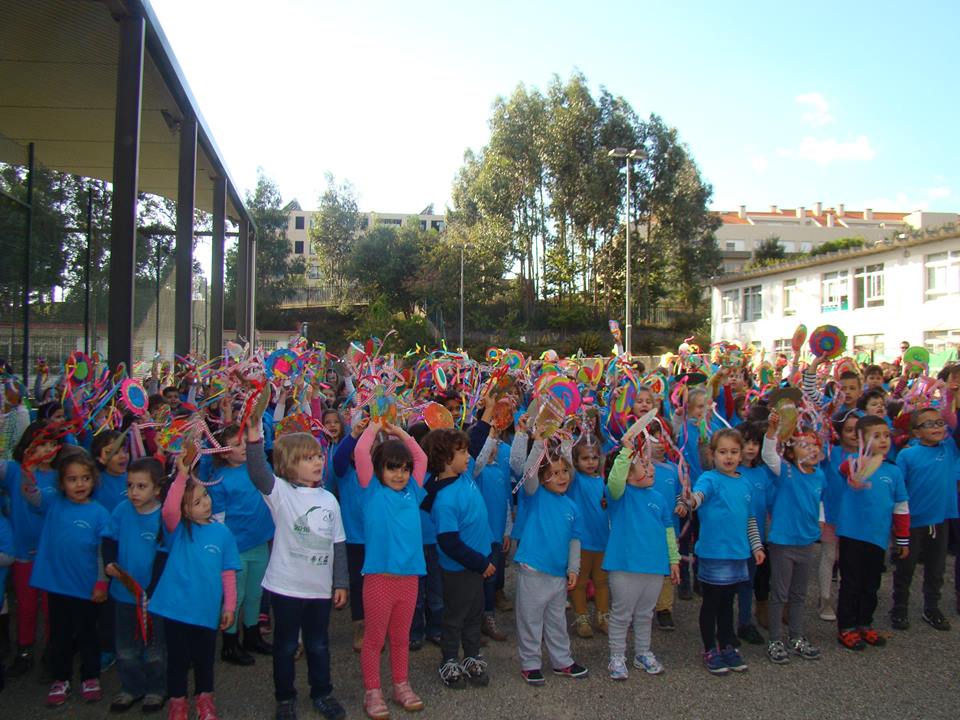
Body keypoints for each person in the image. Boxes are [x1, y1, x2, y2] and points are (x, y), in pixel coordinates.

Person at [245, 402, 349, 720]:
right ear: (290, 465)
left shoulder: (329, 499)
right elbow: (258, 473)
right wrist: (253, 439)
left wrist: (341, 582)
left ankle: (322, 692)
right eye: (308, 458)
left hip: (318, 591)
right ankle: (285, 697)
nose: (317, 461)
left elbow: (338, 544)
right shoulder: (281, 494)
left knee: (318, 645)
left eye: (318, 455)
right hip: (286, 587)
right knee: (286, 646)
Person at [148, 451, 240, 720]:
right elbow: (168, 508)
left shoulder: (221, 532)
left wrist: (230, 606)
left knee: (204, 660)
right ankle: (177, 703)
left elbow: (228, 572)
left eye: (206, 497)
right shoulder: (177, 530)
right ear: (185, 509)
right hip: (175, 609)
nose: (205, 504)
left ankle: (205, 701)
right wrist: (182, 476)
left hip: (205, 610)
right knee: (177, 660)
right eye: (197, 502)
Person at [354, 420, 428, 718]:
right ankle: (372, 691)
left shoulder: (413, 489)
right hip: (378, 580)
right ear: (379, 469)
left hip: (409, 579)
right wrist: (374, 427)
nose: (400, 474)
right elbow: (361, 451)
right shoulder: (371, 490)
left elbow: (421, 457)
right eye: (392, 468)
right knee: (374, 640)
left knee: (401, 637)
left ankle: (401, 685)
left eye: (404, 468)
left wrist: (400, 433)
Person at [24, 449, 110, 706]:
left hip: (86, 588)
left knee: (87, 635)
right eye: (72, 479)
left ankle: (90, 676)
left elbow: (100, 554)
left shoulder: (99, 513)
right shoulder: (53, 503)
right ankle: (60, 678)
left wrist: (100, 583)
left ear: (93, 480)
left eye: (85, 478)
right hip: (57, 586)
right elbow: (30, 495)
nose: (79, 484)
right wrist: (26, 468)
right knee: (59, 636)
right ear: (62, 483)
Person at [677, 429, 765, 675]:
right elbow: (699, 497)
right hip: (714, 553)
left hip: (738, 555)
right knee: (712, 603)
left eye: (734, 452)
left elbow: (750, 520)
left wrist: (756, 546)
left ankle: (727, 645)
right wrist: (689, 501)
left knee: (728, 603)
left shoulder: (745, 483)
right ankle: (709, 648)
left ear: (740, 456)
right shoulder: (710, 479)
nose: (729, 457)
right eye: (723, 452)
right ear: (712, 455)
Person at [421, 428, 494, 690]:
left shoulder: (462, 477)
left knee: (475, 614)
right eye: (461, 452)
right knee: (455, 617)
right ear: (444, 460)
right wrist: (481, 563)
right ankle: (449, 659)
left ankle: (472, 656)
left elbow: (476, 439)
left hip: (476, 564)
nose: (467, 456)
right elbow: (449, 543)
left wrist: (487, 410)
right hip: (461, 569)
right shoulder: (444, 499)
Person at [603, 440, 679, 680]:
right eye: (643, 465)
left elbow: (668, 529)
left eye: (651, 464)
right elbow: (614, 481)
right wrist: (626, 452)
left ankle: (642, 652)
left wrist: (674, 559)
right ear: (628, 473)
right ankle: (617, 656)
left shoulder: (659, 498)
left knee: (645, 613)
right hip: (624, 565)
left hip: (654, 566)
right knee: (621, 614)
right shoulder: (620, 495)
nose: (651, 468)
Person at [835, 415, 910, 650]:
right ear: (861, 440)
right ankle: (846, 627)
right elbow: (843, 468)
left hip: (878, 538)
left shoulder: (893, 471)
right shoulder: (855, 464)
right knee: (851, 583)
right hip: (853, 535)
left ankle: (864, 623)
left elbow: (901, 506)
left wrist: (902, 539)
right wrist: (860, 463)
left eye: (886, 435)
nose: (883, 440)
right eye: (876, 436)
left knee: (872, 584)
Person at [513, 451, 587, 685]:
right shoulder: (535, 495)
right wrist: (539, 442)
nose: (561, 477)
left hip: (558, 573)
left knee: (556, 620)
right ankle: (530, 664)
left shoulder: (572, 507)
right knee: (530, 619)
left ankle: (562, 660)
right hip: (534, 569)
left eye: (565, 471)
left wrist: (573, 569)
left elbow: (575, 540)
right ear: (543, 477)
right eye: (554, 473)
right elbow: (529, 473)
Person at [101, 457, 167, 713]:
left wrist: (151, 589)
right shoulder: (121, 510)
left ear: (157, 489)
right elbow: (109, 538)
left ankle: (156, 689)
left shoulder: (163, 517)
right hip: (123, 594)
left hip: (153, 598)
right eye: (130, 485)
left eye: (141, 486)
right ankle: (131, 687)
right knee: (126, 647)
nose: (134, 492)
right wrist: (109, 563)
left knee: (155, 648)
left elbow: (164, 554)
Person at [208, 423, 275, 666]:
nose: (245, 447)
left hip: (260, 541)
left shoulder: (258, 468)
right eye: (237, 444)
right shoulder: (219, 480)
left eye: (246, 441)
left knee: (256, 592)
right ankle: (230, 642)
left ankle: (252, 634)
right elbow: (218, 517)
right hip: (235, 547)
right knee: (235, 596)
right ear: (224, 452)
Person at [761, 413, 826, 663]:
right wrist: (772, 429)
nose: (811, 449)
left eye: (814, 445)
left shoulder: (819, 475)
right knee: (780, 593)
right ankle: (775, 639)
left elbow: (819, 501)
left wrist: (818, 523)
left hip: (806, 542)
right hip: (783, 542)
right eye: (804, 445)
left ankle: (797, 636)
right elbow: (768, 455)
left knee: (799, 594)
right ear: (790, 452)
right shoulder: (785, 471)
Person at [890, 407, 959, 631]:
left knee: (936, 568)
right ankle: (899, 608)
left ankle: (932, 607)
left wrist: (948, 392)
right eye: (929, 424)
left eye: (939, 423)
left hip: (941, 520)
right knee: (905, 567)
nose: (937, 427)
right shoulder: (908, 455)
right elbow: (898, 487)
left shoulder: (949, 448)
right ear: (917, 432)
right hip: (912, 522)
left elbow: (952, 418)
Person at [0, 422, 58, 677]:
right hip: (22, 551)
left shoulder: (59, 476)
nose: (47, 449)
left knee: (49, 606)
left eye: (51, 444)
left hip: (50, 554)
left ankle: (50, 652)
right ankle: (24, 650)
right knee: (25, 605)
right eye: (40, 444)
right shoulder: (12, 471)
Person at [566, 438, 610, 639]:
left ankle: (603, 616)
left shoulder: (603, 481)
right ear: (576, 461)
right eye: (584, 458)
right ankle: (581, 617)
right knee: (580, 582)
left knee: (602, 581)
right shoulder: (575, 481)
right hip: (582, 541)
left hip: (602, 540)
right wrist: (567, 441)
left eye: (594, 457)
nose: (590, 462)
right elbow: (567, 462)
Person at [733, 421, 772, 645]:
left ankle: (745, 622)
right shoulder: (731, 472)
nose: (750, 448)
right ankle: (727, 624)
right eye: (745, 442)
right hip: (733, 538)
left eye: (755, 443)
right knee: (728, 584)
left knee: (748, 582)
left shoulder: (763, 474)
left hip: (755, 538)